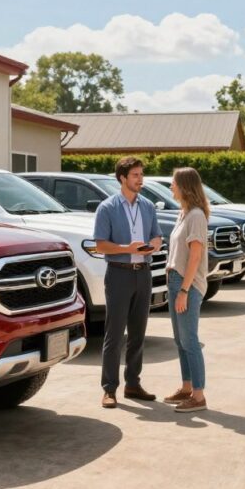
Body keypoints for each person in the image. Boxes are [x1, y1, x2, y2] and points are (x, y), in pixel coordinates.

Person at [93, 156, 163, 408]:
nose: (140, 179)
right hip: (119, 273)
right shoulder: (107, 208)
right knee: (114, 334)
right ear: (122, 178)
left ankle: (133, 384)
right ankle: (109, 388)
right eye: (135, 175)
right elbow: (100, 245)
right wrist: (127, 247)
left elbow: (157, 235)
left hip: (143, 273)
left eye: (141, 174)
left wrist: (155, 244)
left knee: (138, 332)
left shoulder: (147, 206)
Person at [162, 167, 210, 412]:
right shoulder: (184, 214)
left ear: (184, 186)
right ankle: (186, 387)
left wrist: (183, 290)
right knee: (180, 340)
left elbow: (195, 257)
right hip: (176, 281)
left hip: (186, 284)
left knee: (189, 340)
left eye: (173, 183)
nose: (171, 187)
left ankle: (199, 396)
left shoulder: (196, 217)